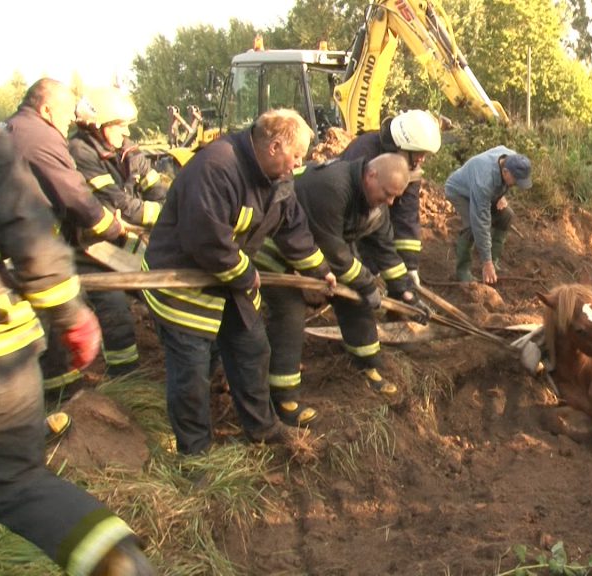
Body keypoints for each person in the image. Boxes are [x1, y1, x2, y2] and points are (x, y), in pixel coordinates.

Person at [0, 126, 154, 575]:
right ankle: (111, 557)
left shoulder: (118, 151)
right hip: (6, 352)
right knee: (17, 482)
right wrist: (71, 316)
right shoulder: (11, 146)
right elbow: (35, 240)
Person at [142, 109, 337, 455]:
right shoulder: (216, 168)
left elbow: (293, 228)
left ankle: (262, 429)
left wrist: (319, 271)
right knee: (192, 375)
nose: (298, 165)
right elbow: (207, 241)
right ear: (275, 146)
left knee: (252, 350)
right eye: (296, 156)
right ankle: (196, 455)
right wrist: (247, 275)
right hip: (181, 285)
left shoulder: (278, 179)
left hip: (231, 283)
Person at [257, 153, 429, 415]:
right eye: (387, 193)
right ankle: (283, 397)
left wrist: (406, 293)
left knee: (355, 301)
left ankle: (367, 365)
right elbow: (334, 252)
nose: (390, 202)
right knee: (289, 314)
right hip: (278, 248)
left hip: (320, 254)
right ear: (371, 175)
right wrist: (367, 283)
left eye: (395, 196)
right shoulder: (331, 187)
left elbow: (385, 250)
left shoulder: (377, 204)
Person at [3, 78, 128, 434]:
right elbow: (75, 197)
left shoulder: (14, 130)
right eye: (63, 114)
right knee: (46, 324)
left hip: (23, 252)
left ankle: (54, 401)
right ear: (45, 109)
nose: (69, 122)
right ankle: (58, 406)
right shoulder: (41, 139)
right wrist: (111, 228)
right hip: (30, 254)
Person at [68, 87, 168, 377]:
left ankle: (177, 357)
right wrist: (154, 215)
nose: (125, 132)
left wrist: (152, 213)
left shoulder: (127, 150)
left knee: (165, 292)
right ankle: (124, 380)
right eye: (119, 125)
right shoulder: (79, 152)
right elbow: (117, 203)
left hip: (123, 242)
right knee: (115, 312)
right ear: (97, 126)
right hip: (88, 250)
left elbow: (158, 193)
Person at [339, 109, 443, 286]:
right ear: (403, 146)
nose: (422, 159)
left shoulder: (410, 167)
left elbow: (406, 216)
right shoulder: (364, 153)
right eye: (420, 153)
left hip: (372, 221)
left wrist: (409, 267)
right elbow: (355, 213)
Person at [444, 146, 532, 284]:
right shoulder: (484, 182)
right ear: (505, 172)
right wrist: (486, 262)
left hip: (481, 189)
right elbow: (481, 222)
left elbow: (501, 149)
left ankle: (494, 261)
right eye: (515, 181)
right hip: (460, 191)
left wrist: (500, 194)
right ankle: (463, 271)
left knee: (506, 215)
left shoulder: (512, 159)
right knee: (472, 226)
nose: (516, 185)